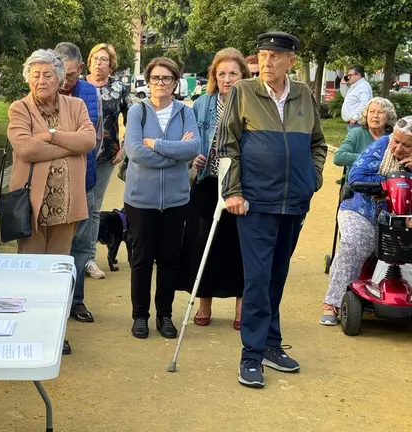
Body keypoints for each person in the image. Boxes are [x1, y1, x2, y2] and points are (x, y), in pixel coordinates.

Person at [217, 32, 327, 388]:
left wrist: (313, 178)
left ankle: (271, 345)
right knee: (258, 277)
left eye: (276, 56)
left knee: (277, 274)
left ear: (291, 61)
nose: (267, 62)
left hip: (294, 202)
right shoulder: (243, 92)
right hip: (253, 203)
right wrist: (232, 190)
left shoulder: (304, 96)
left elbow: (318, 143)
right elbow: (226, 144)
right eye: (263, 54)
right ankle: (251, 355)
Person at [7, 49, 96, 355]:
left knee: (57, 274)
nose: (41, 79)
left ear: (60, 78)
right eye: (35, 74)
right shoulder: (19, 108)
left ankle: (54, 331)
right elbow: (26, 149)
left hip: (67, 205)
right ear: (27, 79)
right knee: (30, 271)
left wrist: (51, 134)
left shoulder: (77, 104)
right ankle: (28, 328)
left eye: (47, 74)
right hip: (30, 206)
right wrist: (68, 147)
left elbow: (88, 140)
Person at [124, 57, 200, 340]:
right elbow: (134, 152)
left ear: (175, 83)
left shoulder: (184, 112)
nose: (160, 83)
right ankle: (139, 315)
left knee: (169, 259)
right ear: (148, 81)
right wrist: (175, 154)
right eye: (155, 78)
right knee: (142, 259)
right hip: (141, 199)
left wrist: (156, 144)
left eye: (166, 78)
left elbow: (193, 147)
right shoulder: (137, 112)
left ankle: (164, 315)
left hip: (176, 199)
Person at [179, 48, 252, 330]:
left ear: (244, 75)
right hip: (207, 182)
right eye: (221, 73)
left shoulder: (253, 104)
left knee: (239, 245)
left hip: (240, 185)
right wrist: (193, 155)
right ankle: (204, 303)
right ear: (214, 76)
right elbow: (191, 140)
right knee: (200, 243)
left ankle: (241, 307)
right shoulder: (202, 104)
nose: (227, 78)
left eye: (233, 73)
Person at [321, 116, 408, 326]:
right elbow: (357, 175)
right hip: (361, 211)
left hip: (404, 218)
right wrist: (394, 180)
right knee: (354, 242)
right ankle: (332, 302)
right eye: (396, 141)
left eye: (406, 145)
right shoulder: (381, 145)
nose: (397, 148)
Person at [54, 42, 103, 324]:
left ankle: (77, 301)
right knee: (53, 245)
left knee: (81, 244)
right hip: (52, 183)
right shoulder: (44, 90)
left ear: (81, 69)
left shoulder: (90, 93)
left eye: (71, 75)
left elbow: (93, 140)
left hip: (84, 179)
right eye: (61, 73)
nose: (65, 81)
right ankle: (53, 301)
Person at [84, 43, 132, 280]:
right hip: (77, 154)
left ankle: (89, 259)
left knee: (93, 206)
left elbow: (132, 118)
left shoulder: (119, 88)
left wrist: (124, 148)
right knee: (76, 206)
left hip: (105, 157)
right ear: (89, 61)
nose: (99, 63)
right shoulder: (79, 86)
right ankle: (72, 253)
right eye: (95, 58)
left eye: (104, 59)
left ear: (111, 64)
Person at [332, 97, 397, 178]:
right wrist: (372, 159)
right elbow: (339, 158)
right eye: (371, 112)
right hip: (358, 184)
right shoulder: (357, 133)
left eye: (380, 112)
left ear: (388, 117)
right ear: (366, 115)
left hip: (387, 184)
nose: (375, 116)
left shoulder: (394, 137)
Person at [341, 65, 373, 131]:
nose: (348, 77)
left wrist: (354, 118)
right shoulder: (356, 85)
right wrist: (343, 84)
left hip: (357, 123)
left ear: (358, 75)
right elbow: (346, 96)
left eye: (350, 75)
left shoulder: (363, 86)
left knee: (356, 141)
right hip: (353, 123)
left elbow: (365, 103)